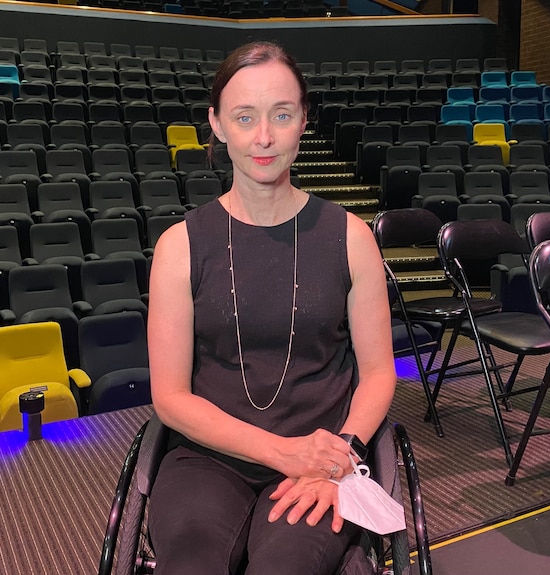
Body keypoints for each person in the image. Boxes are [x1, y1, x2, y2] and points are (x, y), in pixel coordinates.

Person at [146, 41, 396, 574]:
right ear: (216, 124)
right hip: (210, 457)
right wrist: (279, 452)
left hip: (322, 458)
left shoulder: (351, 237)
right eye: (244, 117)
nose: (263, 137)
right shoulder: (179, 246)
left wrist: (341, 457)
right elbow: (169, 398)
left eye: (281, 115)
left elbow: (377, 374)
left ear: (304, 120)